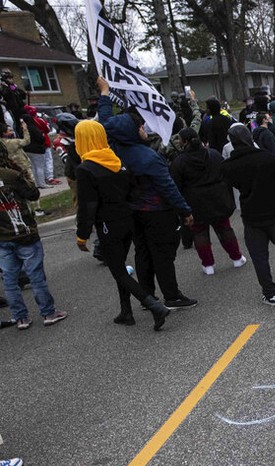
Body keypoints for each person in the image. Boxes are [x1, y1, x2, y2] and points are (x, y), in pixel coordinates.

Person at [97, 76, 198, 310]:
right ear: (133, 131)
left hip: (132, 212)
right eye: (139, 126)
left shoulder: (113, 150)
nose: (143, 128)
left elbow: (105, 123)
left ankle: (147, 296)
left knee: (142, 254)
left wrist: (104, 94)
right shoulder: (148, 158)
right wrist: (185, 210)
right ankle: (172, 296)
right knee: (162, 255)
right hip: (156, 211)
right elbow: (168, 187)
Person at [74, 120, 169, 329]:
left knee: (117, 270)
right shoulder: (115, 160)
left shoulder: (86, 168)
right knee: (120, 266)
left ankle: (153, 306)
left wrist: (82, 235)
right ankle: (126, 311)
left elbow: (87, 205)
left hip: (108, 224)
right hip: (127, 219)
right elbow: (131, 188)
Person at [221, 124, 275, 305]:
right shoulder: (268, 159)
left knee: (260, 257)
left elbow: (228, 186)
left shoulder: (229, 166)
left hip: (251, 217)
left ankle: (270, 293)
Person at [0, 142, 67, 330]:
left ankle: (20, 317)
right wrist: (23, 173)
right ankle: (48, 313)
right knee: (36, 275)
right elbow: (33, 194)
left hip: (3, 238)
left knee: (10, 280)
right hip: (24, 233)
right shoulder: (11, 175)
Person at [170, 128, 246, 275]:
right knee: (225, 228)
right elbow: (225, 172)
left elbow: (175, 186)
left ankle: (208, 265)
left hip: (195, 202)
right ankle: (237, 258)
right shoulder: (213, 154)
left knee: (199, 233)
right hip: (218, 198)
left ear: (184, 142)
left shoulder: (179, 162)